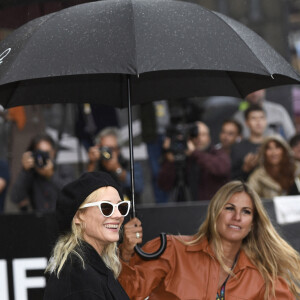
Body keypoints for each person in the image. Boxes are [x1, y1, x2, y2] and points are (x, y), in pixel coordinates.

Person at [118, 181, 300, 300]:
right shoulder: (170, 250)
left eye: (246, 212)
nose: (237, 217)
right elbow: (127, 293)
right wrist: (126, 253)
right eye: (229, 208)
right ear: (215, 213)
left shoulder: (262, 276)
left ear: (252, 224)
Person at [43, 171, 130, 300]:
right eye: (106, 207)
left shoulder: (92, 269)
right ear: (78, 216)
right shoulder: (79, 279)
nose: (118, 215)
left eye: (121, 207)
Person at [158, 121, 230, 201]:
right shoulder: (184, 156)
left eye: (203, 134)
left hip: (213, 206)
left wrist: (195, 153)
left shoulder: (217, 152)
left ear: (209, 137)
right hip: (188, 208)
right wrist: (170, 159)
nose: (199, 138)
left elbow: (221, 169)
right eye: (195, 135)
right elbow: (164, 185)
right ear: (189, 138)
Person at [10, 133, 74, 212]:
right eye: (40, 154)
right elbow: (15, 198)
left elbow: (72, 195)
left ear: (54, 152)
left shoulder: (64, 169)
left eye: (47, 153)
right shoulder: (31, 173)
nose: (43, 158)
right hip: (39, 220)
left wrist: (51, 175)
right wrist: (25, 171)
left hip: (62, 219)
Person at [87, 127, 144, 202]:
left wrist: (118, 169)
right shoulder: (95, 166)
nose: (108, 153)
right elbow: (83, 190)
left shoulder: (130, 165)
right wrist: (91, 164)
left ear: (118, 149)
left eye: (111, 149)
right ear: (98, 148)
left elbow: (138, 187)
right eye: (105, 148)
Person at [231, 104, 267, 181]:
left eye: (262, 117)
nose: (258, 122)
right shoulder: (237, 148)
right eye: (253, 118)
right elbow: (232, 179)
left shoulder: (273, 146)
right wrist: (245, 169)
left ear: (266, 121)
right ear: (247, 122)